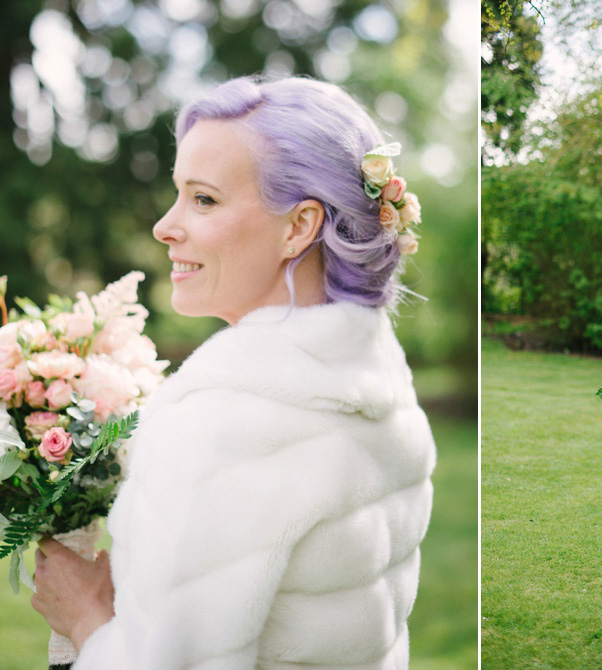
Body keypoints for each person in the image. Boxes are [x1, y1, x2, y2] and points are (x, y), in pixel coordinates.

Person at [30, 76, 436, 668]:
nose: (164, 228)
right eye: (179, 195)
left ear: (298, 227)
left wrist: (86, 619)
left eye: (204, 199)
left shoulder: (225, 424)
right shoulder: (382, 392)